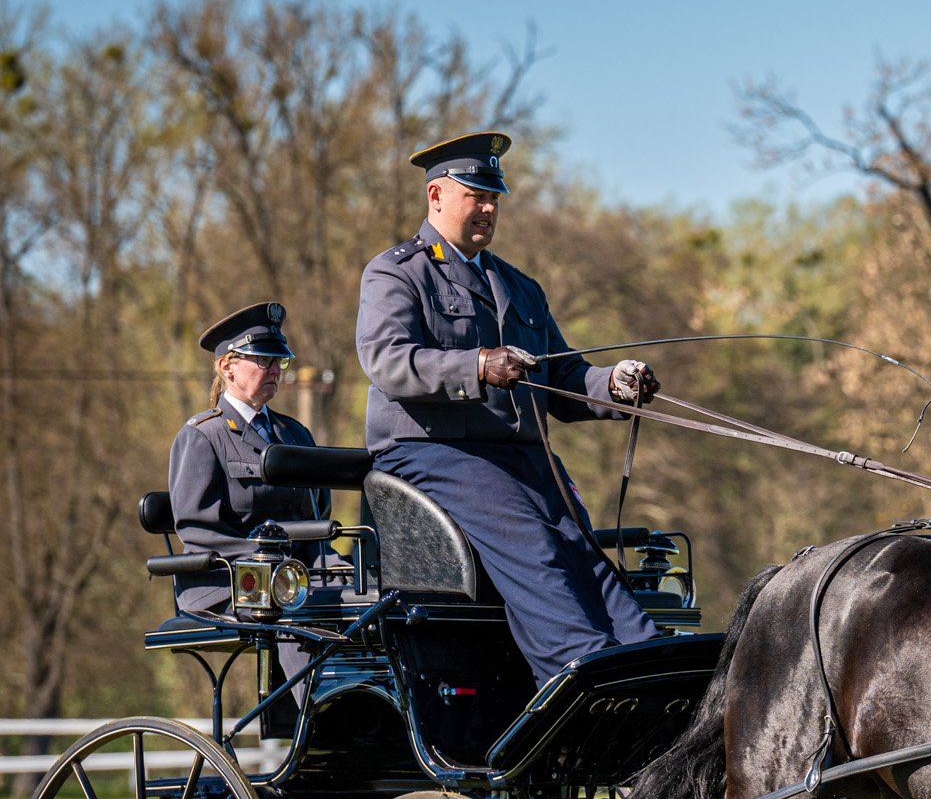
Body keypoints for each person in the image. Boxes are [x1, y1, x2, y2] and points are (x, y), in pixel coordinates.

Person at [354, 130, 662, 685]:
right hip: (433, 452)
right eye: (476, 195)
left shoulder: (520, 287)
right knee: (537, 550)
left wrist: (614, 385)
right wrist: (477, 365)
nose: (489, 208)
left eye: (494, 197)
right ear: (437, 196)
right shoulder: (397, 272)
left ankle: (644, 667)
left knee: (583, 555)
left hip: (517, 459)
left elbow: (564, 375)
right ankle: (583, 680)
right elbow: (387, 362)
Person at [168, 301, 331, 616]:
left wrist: (337, 567)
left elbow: (317, 520)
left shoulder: (295, 434)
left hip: (293, 580)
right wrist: (268, 560)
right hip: (228, 582)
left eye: (278, 361)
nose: (274, 369)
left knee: (371, 607)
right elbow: (199, 532)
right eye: (263, 360)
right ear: (226, 367)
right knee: (304, 627)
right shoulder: (204, 436)